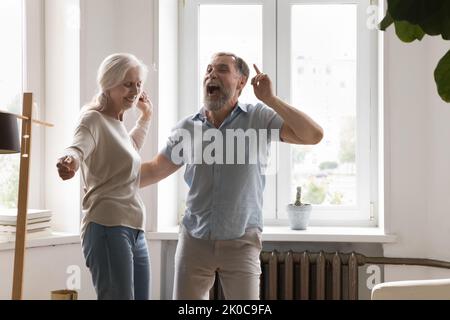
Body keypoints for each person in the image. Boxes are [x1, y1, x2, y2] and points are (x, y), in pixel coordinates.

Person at [140, 52, 323, 299]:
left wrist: (271, 99)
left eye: (222, 69)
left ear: (241, 82)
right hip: (194, 240)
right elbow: (153, 169)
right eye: (208, 69)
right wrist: (107, 183)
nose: (211, 74)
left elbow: (313, 135)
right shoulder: (187, 127)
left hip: (242, 242)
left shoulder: (258, 117)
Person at [56, 53, 153, 300]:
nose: (135, 90)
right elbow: (77, 147)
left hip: (134, 226)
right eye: (127, 84)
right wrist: (70, 161)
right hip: (107, 224)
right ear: (109, 84)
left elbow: (129, 149)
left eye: (138, 83)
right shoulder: (92, 118)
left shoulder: (116, 122)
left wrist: (145, 117)